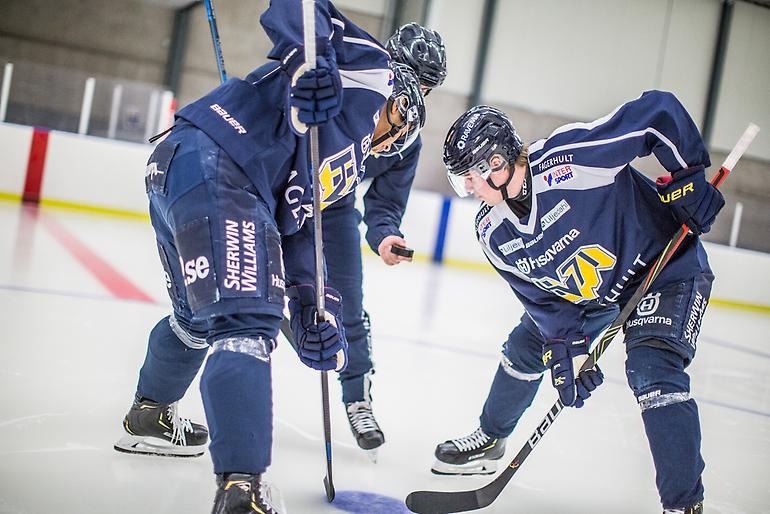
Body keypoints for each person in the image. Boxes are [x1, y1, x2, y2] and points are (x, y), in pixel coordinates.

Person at [112, 1, 422, 513]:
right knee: (246, 322)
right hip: (220, 161)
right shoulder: (372, 71)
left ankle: (149, 414)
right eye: (397, 116)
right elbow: (302, 9)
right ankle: (242, 489)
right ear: (397, 102)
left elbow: (298, 236)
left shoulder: (344, 166)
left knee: (198, 319)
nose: (389, 130)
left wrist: (309, 313)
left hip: (182, 166)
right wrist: (314, 64)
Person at [433, 91, 724, 514]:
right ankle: (492, 436)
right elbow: (543, 302)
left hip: (666, 270)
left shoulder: (568, 160)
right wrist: (565, 353)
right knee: (525, 345)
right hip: (598, 294)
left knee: (652, 372)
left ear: (495, 162)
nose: (469, 189)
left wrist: (688, 176)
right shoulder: (492, 231)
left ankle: (683, 505)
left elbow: (654, 114)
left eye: (470, 178)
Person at [321, 22, 446, 454]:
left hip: (334, 207)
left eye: (428, 89)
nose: (417, 96)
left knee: (350, 307)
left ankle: (357, 398)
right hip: (283, 195)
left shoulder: (406, 139)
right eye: (415, 79)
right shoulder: (345, 86)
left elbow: (385, 203)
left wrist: (386, 234)